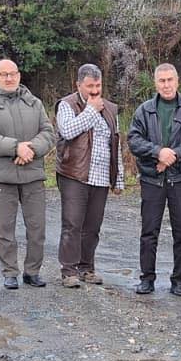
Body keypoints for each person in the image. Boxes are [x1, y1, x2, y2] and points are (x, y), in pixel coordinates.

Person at [0, 58, 55, 289]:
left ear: (19, 75)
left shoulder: (34, 103)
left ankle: (32, 272)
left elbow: (48, 133)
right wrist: (15, 147)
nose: (9, 78)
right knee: (5, 229)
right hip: (2, 178)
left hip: (33, 176)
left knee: (37, 229)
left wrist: (31, 149)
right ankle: (10, 272)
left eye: (13, 73)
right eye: (4, 74)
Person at [127, 63, 181, 296]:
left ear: (177, 81)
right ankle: (147, 279)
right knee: (149, 231)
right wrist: (157, 152)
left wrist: (173, 155)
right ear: (155, 83)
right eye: (161, 81)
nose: (166, 85)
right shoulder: (144, 110)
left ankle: (179, 280)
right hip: (152, 181)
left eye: (170, 80)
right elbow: (134, 140)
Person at [54, 63, 123, 288]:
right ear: (78, 85)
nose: (95, 90)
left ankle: (87, 267)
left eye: (98, 85)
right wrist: (91, 109)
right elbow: (69, 131)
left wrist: (118, 178)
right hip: (74, 173)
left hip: (101, 177)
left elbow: (116, 144)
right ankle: (69, 271)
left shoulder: (111, 108)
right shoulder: (67, 105)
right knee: (72, 223)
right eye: (89, 86)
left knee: (93, 226)